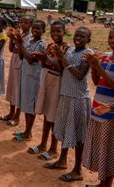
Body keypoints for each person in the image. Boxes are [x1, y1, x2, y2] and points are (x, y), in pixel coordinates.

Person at [45, 27, 93, 183]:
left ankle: (78, 170)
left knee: (78, 134)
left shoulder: (88, 54)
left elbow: (80, 76)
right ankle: (62, 160)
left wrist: (63, 59)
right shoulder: (70, 50)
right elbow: (62, 71)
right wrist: (59, 58)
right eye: (77, 35)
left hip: (78, 99)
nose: (78, 38)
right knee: (65, 130)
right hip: (66, 95)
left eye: (82, 36)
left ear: (88, 40)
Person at [82, 25, 114, 187]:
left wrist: (98, 67)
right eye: (110, 37)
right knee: (100, 148)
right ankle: (103, 181)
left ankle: (107, 183)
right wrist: (93, 67)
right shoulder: (106, 57)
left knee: (110, 150)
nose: (113, 40)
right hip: (98, 107)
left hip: (112, 113)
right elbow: (98, 82)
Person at [28, 20, 67, 160]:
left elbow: (61, 69)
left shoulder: (65, 48)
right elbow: (45, 64)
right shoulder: (50, 45)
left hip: (57, 82)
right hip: (46, 80)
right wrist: (42, 57)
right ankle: (43, 144)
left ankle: (53, 148)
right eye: (53, 31)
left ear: (64, 32)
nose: (55, 34)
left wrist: (54, 56)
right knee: (46, 115)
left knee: (54, 117)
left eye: (58, 31)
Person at [13, 20, 46, 142]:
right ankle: (27, 131)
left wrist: (21, 45)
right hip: (26, 76)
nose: (35, 31)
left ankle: (28, 132)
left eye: (38, 29)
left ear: (43, 31)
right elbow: (22, 56)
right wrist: (18, 42)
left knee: (30, 106)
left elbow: (31, 59)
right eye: (34, 29)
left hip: (33, 78)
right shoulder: (30, 41)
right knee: (26, 105)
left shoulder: (42, 45)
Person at [1, 16, 33, 126]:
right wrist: (11, 38)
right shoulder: (21, 34)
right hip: (14, 60)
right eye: (21, 22)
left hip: (21, 62)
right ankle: (11, 112)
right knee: (12, 87)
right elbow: (11, 49)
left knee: (18, 89)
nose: (23, 24)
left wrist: (16, 39)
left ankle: (17, 116)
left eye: (26, 22)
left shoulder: (30, 37)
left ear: (31, 24)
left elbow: (21, 50)